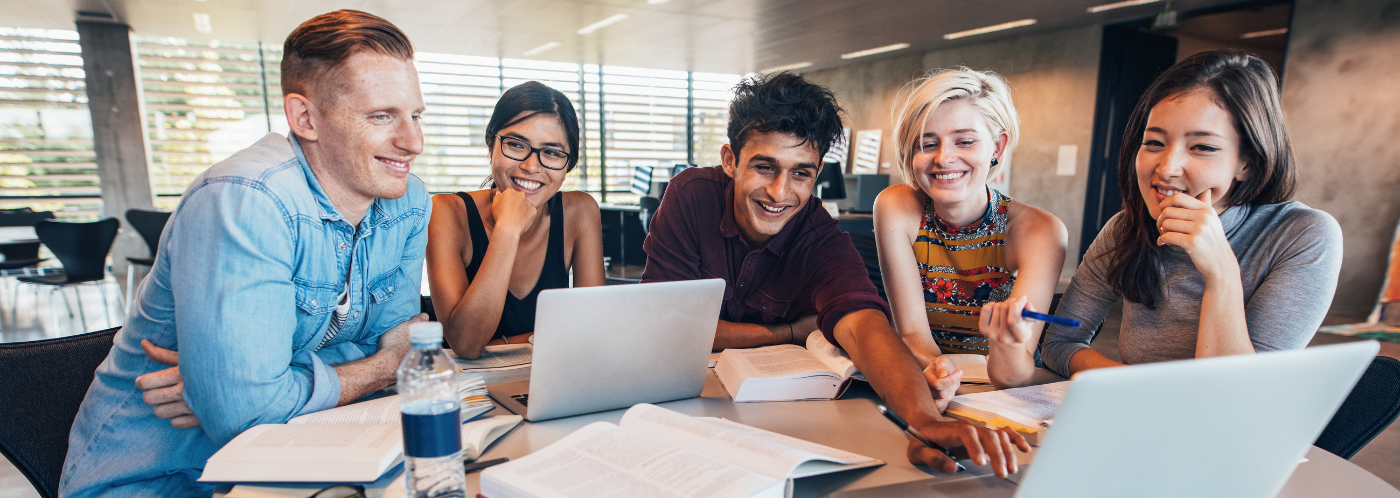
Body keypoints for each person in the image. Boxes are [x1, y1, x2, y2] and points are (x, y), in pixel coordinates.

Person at [61, 11, 431, 497]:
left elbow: (401, 343)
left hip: (305, 457)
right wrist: (380, 366)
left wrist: (252, 385)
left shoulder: (408, 200)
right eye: (381, 116)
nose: (413, 142)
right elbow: (249, 415)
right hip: (168, 480)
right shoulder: (245, 199)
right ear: (305, 118)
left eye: (415, 115)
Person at [641, 72, 1029, 477]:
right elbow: (666, 325)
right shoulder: (690, 196)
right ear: (730, 160)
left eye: (800, 173)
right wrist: (787, 332)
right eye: (764, 167)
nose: (779, 192)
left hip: (767, 416)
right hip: (679, 405)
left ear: (817, 173)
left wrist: (925, 421)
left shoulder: (817, 232)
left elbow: (864, 325)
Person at [1014, 50, 1342, 383]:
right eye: (1154, 142)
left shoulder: (1304, 234)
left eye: (1202, 147)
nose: (1167, 168)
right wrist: (1139, 387)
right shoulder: (1125, 228)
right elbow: (1060, 342)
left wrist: (1221, 272)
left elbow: (1238, 394)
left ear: (1248, 162)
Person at [874, 68, 1067, 390]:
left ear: (997, 147)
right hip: (929, 380)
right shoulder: (896, 207)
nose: (945, 158)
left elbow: (1013, 375)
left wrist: (1006, 343)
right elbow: (912, 335)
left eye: (964, 141)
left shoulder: (1039, 230)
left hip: (1002, 392)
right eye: (927, 144)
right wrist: (938, 370)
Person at [426, 82, 604, 358]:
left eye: (553, 152)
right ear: (490, 145)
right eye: (516, 145)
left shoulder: (579, 212)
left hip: (555, 380)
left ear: (568, 164)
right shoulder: (446, 212)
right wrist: (507, 228)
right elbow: (466, 344)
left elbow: (592, 332)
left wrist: (500, 344)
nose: (531, 166)